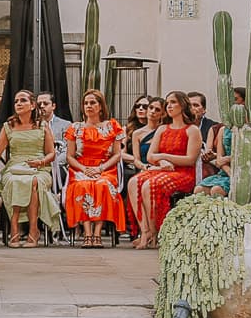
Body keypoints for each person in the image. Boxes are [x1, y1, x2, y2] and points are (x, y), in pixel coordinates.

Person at [0, 89, 61, 248]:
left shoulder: (42, 126)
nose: (18, 104)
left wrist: (41, 162)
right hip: (14, 167)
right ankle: (14, 227)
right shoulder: (8, 126)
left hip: (39, 168)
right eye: (16, 101)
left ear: (32, 105)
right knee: (13, 181)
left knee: (34, 181)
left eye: (23, 100)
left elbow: (51, 153)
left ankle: (33, 230)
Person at [131, 90, 202, 249]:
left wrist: (163, 156)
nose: (169, 106)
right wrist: (162, 161)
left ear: (182, 105)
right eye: (168, 103)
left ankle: (155, 233)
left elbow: (190, 159)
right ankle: (145, 231)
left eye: (173, 102)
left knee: (149, 185)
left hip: (183, 173)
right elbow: (150, 156)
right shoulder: (163, 129)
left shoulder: (192, 130)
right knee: (134, 182)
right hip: (164, 169)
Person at [62, 88, 125, 247]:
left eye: (92, 103)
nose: (89, 106)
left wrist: (100, 168)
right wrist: (84, 169)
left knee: (102, 185)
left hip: (105, 169)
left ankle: (97, 233)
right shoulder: (75, 128)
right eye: (86, 103)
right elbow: (70, 156)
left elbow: (117, 155)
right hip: (80, 168)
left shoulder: (112, 126)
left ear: (101, 106)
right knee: (83, 186)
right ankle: (87, 233)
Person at [195, 87, 245, 197]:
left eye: (235, 99)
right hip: (226, 171)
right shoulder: (223, 130)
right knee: (199, 190)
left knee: (216, 190)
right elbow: (219, 160)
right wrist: (230, 172)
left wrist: (229, 158)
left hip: (244, 172)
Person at [37, 92, 71, 176]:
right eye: (39, 104)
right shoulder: (32, 126)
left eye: (45, 103)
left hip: (58, 166)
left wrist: (49, 163)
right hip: (37, 165)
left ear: (53, 106)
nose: (42, 106)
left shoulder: (66, 125)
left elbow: (67, 151)